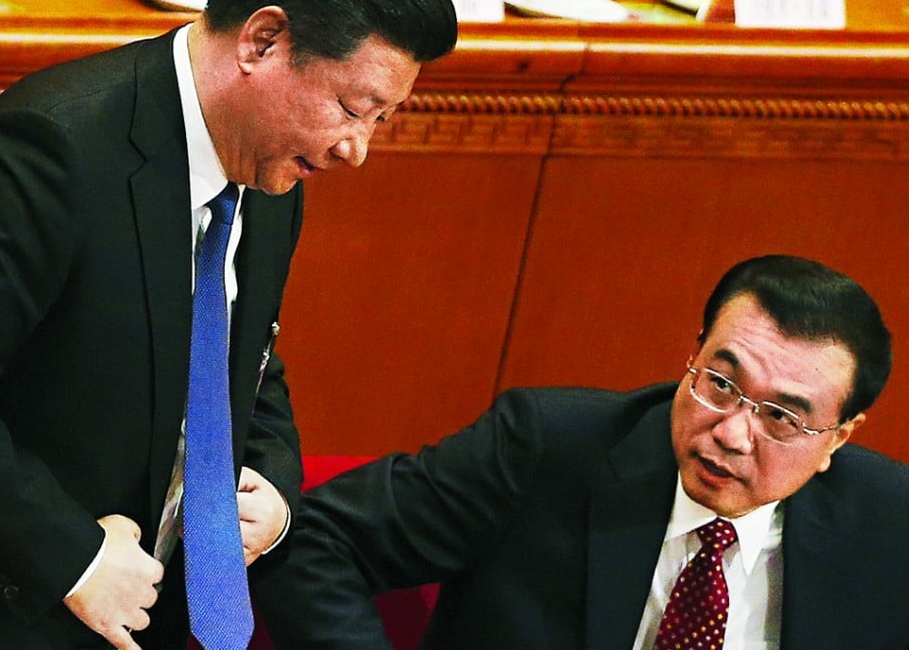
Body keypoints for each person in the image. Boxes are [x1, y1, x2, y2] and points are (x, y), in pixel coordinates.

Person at [0, 0, 457, 648]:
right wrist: (74, 556)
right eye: (349, 106)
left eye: (381, 119)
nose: (355, 149)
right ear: (263, 40)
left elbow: (244, 358)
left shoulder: (272, 172)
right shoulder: (46, 147)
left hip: (149, 614)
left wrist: (273, 486)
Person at [254, 255, 909, 650]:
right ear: (694, 354)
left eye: (782, 416)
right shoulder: (548, 446)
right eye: (720, 382)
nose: (732, 432)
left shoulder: (889, 524)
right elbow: (318, 537)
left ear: (839, 438)